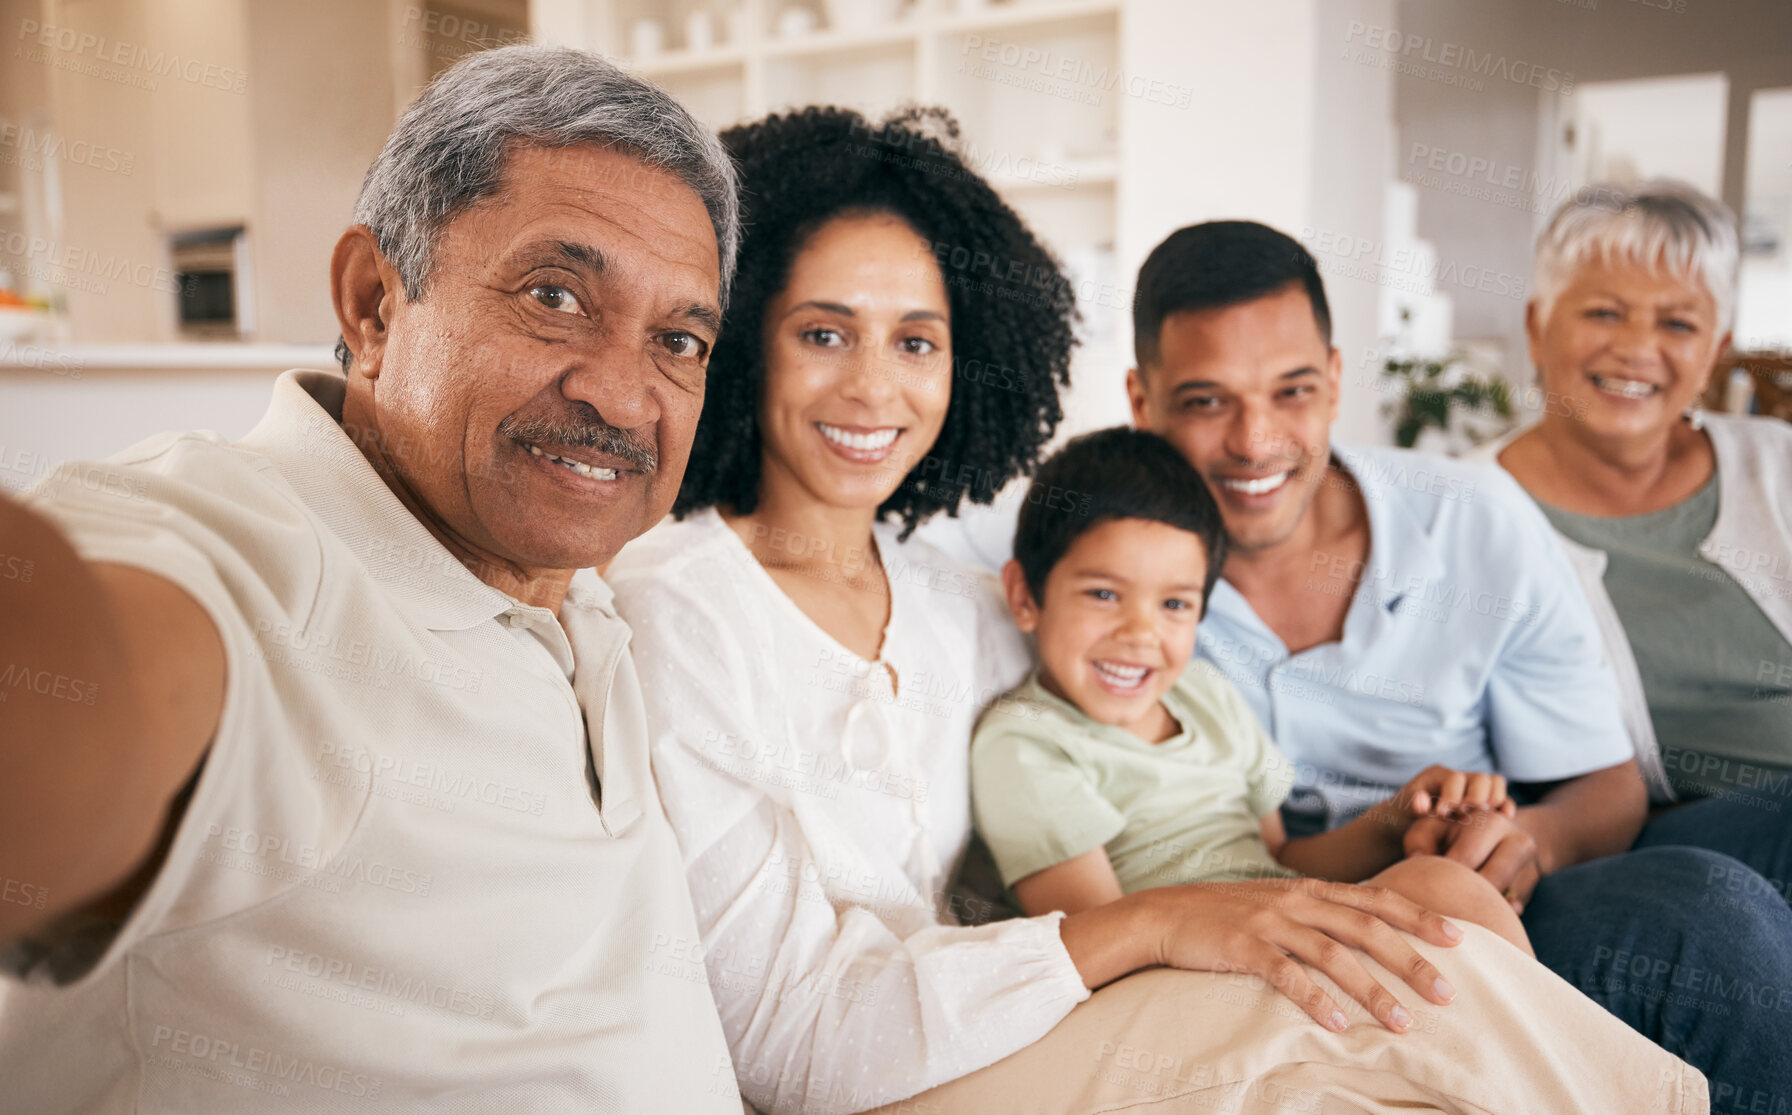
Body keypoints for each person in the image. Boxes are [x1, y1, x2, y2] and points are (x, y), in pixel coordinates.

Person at [608, 106, 1703, 1115]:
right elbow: (777, 1039)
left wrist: (1378, 838)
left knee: (1437, 910)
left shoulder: (955, 592)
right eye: (824, 333)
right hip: (901, 1070)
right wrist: (1166, 920)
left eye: (915, 341)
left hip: (1029, 1003)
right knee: (1385, 1004)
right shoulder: (680, 614)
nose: (873, 389)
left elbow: (1120, 674)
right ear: (743, 334)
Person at [0, 46, 745, 1112]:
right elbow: (95, 677)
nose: (627, 399)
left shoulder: (566, 584)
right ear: (374, 305)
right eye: (556, 295)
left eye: (678, 338)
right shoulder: (255, 558)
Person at [1123, 217, 1792, 1108]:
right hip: (1325, 915)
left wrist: (1527, 840)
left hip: (1501, 888)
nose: (1255, 440)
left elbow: (1603, 783)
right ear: (1141, 401)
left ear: (1333, 382)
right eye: (1207, 401)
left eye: (1291, 391)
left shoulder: (1473, 518)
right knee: (1710, 917)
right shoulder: (1097, 567)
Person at [970, 427, 1532, 956]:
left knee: (1443, 884)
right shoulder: (1026, 743)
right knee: (1433, 889)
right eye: (1103, 594)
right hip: (1173, 975)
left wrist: (1400, 817)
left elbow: (1282, 858)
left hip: (1278, 928)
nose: (1141, 634)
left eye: (1174, 605)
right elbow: (1107, 941)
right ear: (1024, 596)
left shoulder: (1204, 693)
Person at [1479, 180, 1792, 896]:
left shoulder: (1776, 465)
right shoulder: (1470, 510)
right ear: (1537, 327)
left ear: (1716, 351)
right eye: (1603, 312)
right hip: (1649, 848)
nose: (1636, 349)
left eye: (1677, 325)